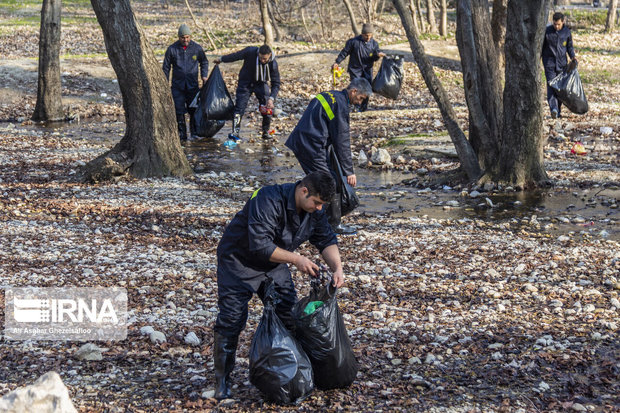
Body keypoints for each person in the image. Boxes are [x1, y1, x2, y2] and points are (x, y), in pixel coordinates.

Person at [212, 171, 345, 400]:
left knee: (288, 313)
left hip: (274, 264)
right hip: (238, 261)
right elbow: (260, 245)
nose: (319, 208)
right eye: (317, 202)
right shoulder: (267, 199)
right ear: (304, 191)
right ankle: (222, 381)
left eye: (322, 204)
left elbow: (326, 239)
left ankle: (292, 370)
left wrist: (337, 268)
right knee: (232, 319)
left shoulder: (314, 211)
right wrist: (297, 259)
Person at [285, 78, 372, 235]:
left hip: (304, 141)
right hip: (311, 146)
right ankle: (331, 224)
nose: (359, 103)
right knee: (328, 182)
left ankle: (316, 218)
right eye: (360, 98)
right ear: (354, 91)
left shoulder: (330, 95)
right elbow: (342, 139)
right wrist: (349, 171)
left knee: (325, 180)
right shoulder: (341, 105)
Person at [213, 44, 281, 140]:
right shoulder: (250, 52)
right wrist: (221, 59)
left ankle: (265, 132)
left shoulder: (273, 64)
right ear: (258, 53)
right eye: (260, 58)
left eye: (265, 59)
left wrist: (271, 98)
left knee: (267, 108)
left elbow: (276, 83)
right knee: (239, 108)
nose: (262, 60)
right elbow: (235, 56)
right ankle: (235, 132)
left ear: (270, 55)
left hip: (261, 84)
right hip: (245, 83)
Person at [162, 23, 209, 140]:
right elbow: (166, 67)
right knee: (179, 111)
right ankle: (182, 136)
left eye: (187, 37)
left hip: (192, 86)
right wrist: (165, 83)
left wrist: (204, 76)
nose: (185, 40)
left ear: (190, 37)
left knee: (193, 110)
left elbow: (204, 62)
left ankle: (194, 134)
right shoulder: (172, 49)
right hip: (177, 86)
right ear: (179, 37)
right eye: (183, 37)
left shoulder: (197, 48)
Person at [331, 23, 385, 112]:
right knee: (357, 88)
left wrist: (377, 55)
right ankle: (355, 106)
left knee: (367, 88)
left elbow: (374, 58)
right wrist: (337, 62)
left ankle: (363, 107)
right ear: (362, 34)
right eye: (366, 35)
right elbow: (344, 52)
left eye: (370, 35)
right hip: (354, 69)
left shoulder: (374, 44)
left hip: (367, 69)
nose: (368, 37)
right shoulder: (353, 42)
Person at [542, 12, 577, 119]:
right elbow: (541, 48)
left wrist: (573, 57)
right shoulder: (547, 32)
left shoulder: (566, 32)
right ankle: (554, 109)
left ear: (563, 22)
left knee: (560, 89)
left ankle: (557, 111)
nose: (556, 26)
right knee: (551, 86)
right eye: (554, 24)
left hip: (562, 65)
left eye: (558, 24)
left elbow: (569, 47)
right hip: (549, 64)